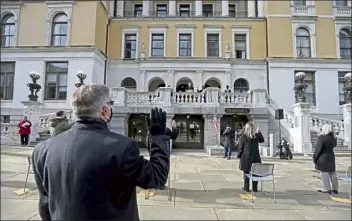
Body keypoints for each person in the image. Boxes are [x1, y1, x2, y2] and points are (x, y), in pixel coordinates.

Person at [32, 84, 170, 221]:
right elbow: (157, 177)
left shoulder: (42, 149)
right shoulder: (122, 147)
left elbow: (45, 204)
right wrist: (158, 137)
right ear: (105, 110)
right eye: (111, 104)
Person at [237, 123, 265, 192]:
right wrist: (259, 132)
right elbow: (262, 140)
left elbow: (240, 148)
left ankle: (246, 188)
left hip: (246, 158)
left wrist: (239, 156)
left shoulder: (244, 136)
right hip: (256, 158)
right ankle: (255, 189)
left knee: (246, 174)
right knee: (255, 173)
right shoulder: (256, 136)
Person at [313, 124, 339, 195]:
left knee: (324, 173)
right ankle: (335, 188)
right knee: (332, 173)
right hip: (331, 156)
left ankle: (327, 188)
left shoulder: (322, 137)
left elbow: (318, 149)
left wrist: (315, 157)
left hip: (323, 157)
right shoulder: (333, 137)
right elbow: (334, 145)